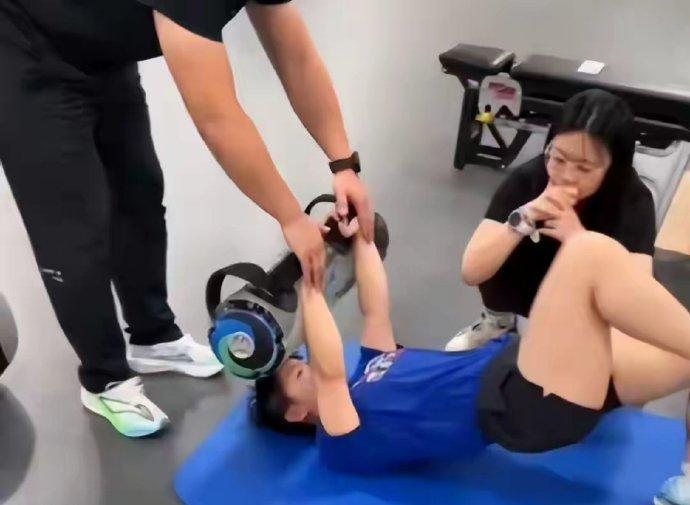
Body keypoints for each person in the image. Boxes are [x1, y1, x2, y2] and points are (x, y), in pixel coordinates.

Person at [0, 0, 374, 437]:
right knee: (73, 232)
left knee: (138, 195)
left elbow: (298, 58)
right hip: (21, 48)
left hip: (99, 48)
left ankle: (153, 337)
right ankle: (105, 379)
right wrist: (290, 218)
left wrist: (343, 164)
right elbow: (217, 116)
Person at [250, 216, 690, 476]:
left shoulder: (368, 369)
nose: (311, 365)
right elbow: (329, 371)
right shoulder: (338, 441)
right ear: (296, 414)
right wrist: (311, 286)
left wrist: (359, 236)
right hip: (524, 401)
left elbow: (375, 309)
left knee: (677, 354)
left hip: (532, 369)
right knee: (589, 254)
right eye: (299, 372)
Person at [445, 89, 656, 352]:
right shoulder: (528, 180)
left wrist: (581, 243)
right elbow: (472, 271)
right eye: (558, 158)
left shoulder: (633, 200)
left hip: (582, 308)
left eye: (584, 168)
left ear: (613, 167)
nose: (566, 175)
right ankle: (498, 321)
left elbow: (636, 298)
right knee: (503, 243)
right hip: (524, 290)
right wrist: (522, 219)